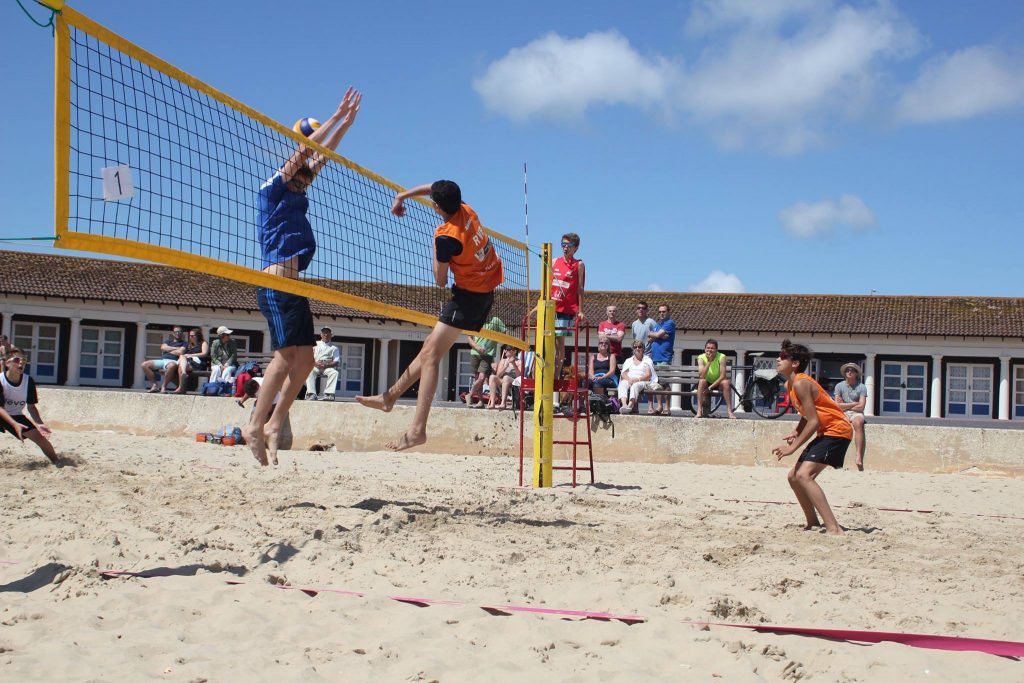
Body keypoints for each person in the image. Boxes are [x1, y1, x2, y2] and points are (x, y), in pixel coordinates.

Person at [244, 87, 361, 466]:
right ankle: (253, 425)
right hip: (275, 285)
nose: (306, 174)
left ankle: (275, 423)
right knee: (283, 358)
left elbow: (319, 157)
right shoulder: (270, 191)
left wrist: (345, 123)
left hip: (294, 287)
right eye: (301, 169)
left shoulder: (299, 190)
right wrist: (330, 117)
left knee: (307, 361)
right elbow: (303, 154)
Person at [356, 179, 503, 451]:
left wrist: (435, 247)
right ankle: (389, 397)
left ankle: (416, 431)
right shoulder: (467, 209)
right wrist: (403, 195)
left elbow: (439, 279)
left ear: (435, 207)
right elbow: (435, 187)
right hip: (484, 288)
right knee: (427, 351)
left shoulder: (446, 236)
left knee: (432, 357)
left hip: (469, 297)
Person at [771, 339, 853, 536]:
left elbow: (814, 421)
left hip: (837, 430)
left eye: (783, 357)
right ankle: (813, 522)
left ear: (795, 363)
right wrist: (797, 431)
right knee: (793, 476)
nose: (777, 359)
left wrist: (792, 448)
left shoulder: (801, 383)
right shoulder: (790, 386)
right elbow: (807, 414)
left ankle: (834, 528)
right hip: (826, 431)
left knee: (803, 475)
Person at [0, 349, 59, 465]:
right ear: (7, 363)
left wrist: (40, 424)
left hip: (16, 415)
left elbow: (31, 407)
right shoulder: (0, 380)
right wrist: (14, 424)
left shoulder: (28, 381)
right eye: (17, 360)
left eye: (24, 360)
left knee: (41, 439)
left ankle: (57, 462)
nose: (21, 363)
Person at [550, 232, 585, 377]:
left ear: (575, 248)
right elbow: (547, 284)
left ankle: (555, 376)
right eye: (563, 245)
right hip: (551, 306)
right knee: (545, 340)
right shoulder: (553, 261)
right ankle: (544, 374)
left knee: (559, 343)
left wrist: (581, 310)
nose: (565, 248)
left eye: (569, 245)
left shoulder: (579, 265)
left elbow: (580, 289)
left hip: (566, 309)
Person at [834, 362, 868, 471]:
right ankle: (836, 457)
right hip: (843, 412)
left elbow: (861, 407)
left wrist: (846, 405)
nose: (849, 372)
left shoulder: (862, 387)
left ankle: (858, 456)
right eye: (847, 370)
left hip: (856, 413)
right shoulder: (839, 386)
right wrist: (854, 403)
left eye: (852, 370)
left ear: (856, 373)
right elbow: (837, 406)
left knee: (858, 423)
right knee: (839, 425)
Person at [465, 316, 505, 408]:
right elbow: (469, 338)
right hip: (475, 353)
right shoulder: (475, 319)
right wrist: (477, 347)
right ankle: (481, 401)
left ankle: (469, 395)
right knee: (477, 379)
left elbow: (505, 333)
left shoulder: (495, 320)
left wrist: (498, 340)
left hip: (488, 354)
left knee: (482, 378)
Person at [696, 338, 736, 419]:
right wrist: (709, 361)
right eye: (708, 348)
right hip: (706, 382)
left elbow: (723, 376)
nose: (710, 350)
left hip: (718, 382)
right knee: (702, 381)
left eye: (712, 348)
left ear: (716, 349)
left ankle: (729, 411)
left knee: (726, 382)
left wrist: (710, 388)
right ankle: (699, 411)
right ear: (705, 349)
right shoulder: (701, 357)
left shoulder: (721, 356)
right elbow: (701, 376)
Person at [647, 304, 676, 415]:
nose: (661, 313)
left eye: (663, 311)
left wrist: (656, 335)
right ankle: (659, 406)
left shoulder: (670, 323)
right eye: (659, 312)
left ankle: (667, 407)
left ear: (668, 312)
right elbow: (650, 339)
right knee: (657, 383)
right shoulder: (658, 325)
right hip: (654, 358)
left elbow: (656, 335)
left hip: (664, 357)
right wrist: (658, 335)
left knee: (665, 383)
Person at [162, 328, 209, 395]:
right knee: (181, 361)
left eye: (192, 335)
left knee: (180, 364)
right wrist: (171, 352)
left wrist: (190, 355)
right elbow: (180, 352)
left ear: (198, 336)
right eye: (190, 335)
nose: (190, 337)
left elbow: (204, 353)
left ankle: (180, 387)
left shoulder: (203, 343)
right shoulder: (188, 344)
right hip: (188, 363)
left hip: (198, 363)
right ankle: (182, 382)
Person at [617, 340, 659, 414]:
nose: (637, 348)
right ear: (633, 349)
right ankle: (624, 405)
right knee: (623, 383)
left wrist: (637, 379)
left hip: (642, 381)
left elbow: (648, 375)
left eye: (639, 347)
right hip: (630, 380)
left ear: (643, 349)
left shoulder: (647, 360)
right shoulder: (628, 360)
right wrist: (629, 380)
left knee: (635, 385)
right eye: (635, 347)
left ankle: (630, 405)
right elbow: (623, 374)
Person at [140, 326, 186, 393]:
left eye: (179, 332)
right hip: (163, 361)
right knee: (144, 365)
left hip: (174, 361)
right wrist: (177, 348)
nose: (177, 333)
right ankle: (154, 385)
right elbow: (163, 347)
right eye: (176, 332)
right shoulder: (168, 341)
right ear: (173, 333)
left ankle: (163, 386)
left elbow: (180, 352)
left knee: (172, 365)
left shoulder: (185, 343)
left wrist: (168, 349)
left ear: (182, 333)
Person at [305, 327, 340, 401]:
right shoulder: (314, 344)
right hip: (315, 366)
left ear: (331, 335)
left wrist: (326, 365)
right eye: (324, 333)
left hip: (327, 366)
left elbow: (336, 361)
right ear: (321, 335)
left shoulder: (334, 348)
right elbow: (307, 356)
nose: (326, 335)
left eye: (328, 333)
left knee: (334, 372)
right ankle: (311, 394)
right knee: (309, 371)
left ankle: (329, 394)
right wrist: (314, 363)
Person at [487, 345, 521, 409]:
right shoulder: (503, 361)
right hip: (503, 381)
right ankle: (492, 403)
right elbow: (498, 375)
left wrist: (513, 364)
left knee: (506, 377)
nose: (505, 351)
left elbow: (519, 376)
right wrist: (505, 367)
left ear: (514, 351)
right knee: (492, 377)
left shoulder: (519, 362)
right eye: (505, 349)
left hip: (514, 382)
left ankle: (503, 403)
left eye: (508, 349)